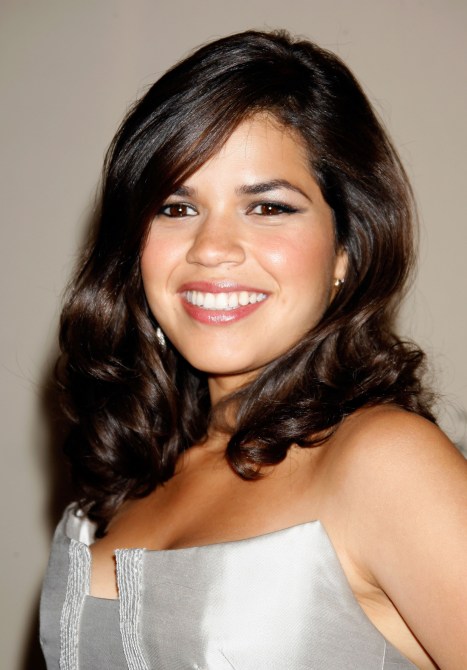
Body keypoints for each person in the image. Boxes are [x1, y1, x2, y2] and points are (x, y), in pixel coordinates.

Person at [40, 30, 467, 669]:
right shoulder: (120, 480)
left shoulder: (384, 462)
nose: (212, 249)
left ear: (345, 250)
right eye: (176, 208)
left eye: (267, 207)